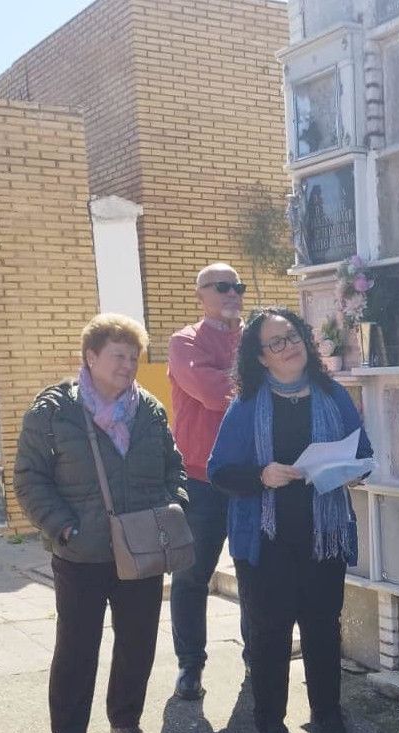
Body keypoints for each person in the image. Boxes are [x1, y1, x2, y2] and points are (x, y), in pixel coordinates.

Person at [13, 314, 188, 733]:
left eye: (133, 357)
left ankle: (125, 722)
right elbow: (29, 479)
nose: (128, 365)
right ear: (90, 357)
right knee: (76, 648)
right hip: (81, 553)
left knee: (138, 644)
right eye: (118, 355)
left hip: (142, 551)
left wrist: (171, 509)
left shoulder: (149, 411)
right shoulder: (54, 411)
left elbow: (176, 469)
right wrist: (63, 529)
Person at [207, 309, 372, 733]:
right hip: (264, 539)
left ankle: (327, 714)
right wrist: (262, 474)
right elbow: (219, 471)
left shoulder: (333, 396)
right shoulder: (245, 407)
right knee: (270, 631)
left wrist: (350, 471)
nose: (289, 345)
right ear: (260, 358)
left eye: (293, 335)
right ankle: (270, 720)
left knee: (322, 626)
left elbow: (364, 453)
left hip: (324, 534)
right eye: (276, 342)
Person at [166, 263, 244, 701]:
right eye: (222, 286)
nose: (232, 292)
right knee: (193, 575)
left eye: (238, 286)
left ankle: (258, 657)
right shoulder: (185, 341)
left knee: (255, 574)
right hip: (200, 479)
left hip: (253, 479)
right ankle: (190, 664)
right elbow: (215, 394)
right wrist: (256, 385)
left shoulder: (254, 337)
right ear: (201, 294)